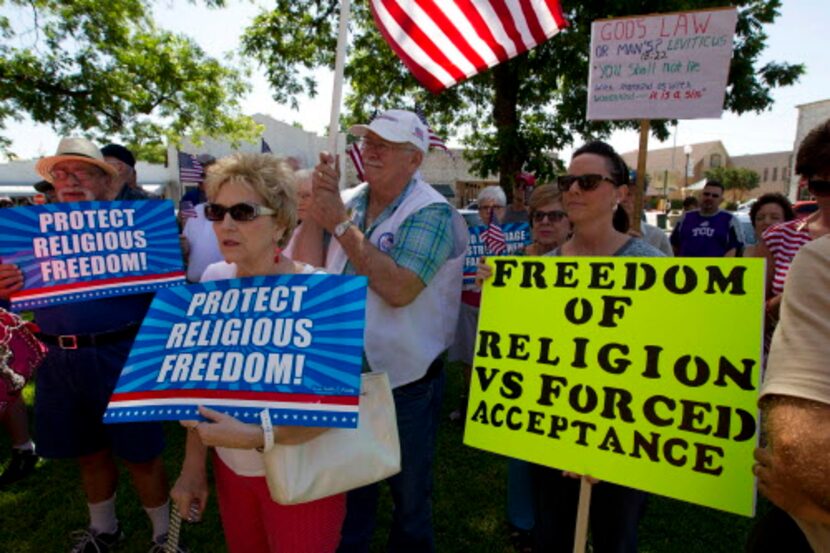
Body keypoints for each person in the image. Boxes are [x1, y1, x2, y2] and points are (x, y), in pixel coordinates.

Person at [478, 141, 662, 553]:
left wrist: (610, 443)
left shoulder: (651, 266)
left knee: (617, 539)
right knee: (553, 537)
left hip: (625, 441)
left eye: (589, 181)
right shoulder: (539, 272)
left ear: (621, 193)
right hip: (553, 436)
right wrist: (500, 298)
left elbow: (664, 363)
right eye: (568, 181)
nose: (574, 190)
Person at [0, 137, 177, 553]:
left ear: (104, 180)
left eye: (81, 171)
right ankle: (105, 530)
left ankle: (163, 538)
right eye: (60, 173)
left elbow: (168, 299)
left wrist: (171, 260)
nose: (70, 180)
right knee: (88, 452)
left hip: (123, 355)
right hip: (59, 360)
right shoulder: (28, 236)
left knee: (142, 454)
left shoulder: (139, 227)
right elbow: (9, 301)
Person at [303, 108, 468, 553]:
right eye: (368, 139)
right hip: (343, 371)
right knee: (349, 486)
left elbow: (399, 289)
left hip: (404, 381)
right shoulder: (353, 197)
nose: (370, 149)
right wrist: (315, 207)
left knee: (409, 497)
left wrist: (337, 222)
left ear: (415, 159)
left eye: (386, 143)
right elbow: (308, 269)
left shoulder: (431, 212)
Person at [170, 153, 344, 553]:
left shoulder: (320, 291)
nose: (226, 224)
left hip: (305, 475)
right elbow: (202, 388)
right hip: (232, 472)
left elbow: (334, 408)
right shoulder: (212, 280)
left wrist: (257, 435)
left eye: (244, 212)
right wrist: (193, 469)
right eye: (217, 211)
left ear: (280, 221)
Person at [752, 236, 830, 553]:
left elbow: (803, 454)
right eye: (817, 183)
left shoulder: (819, 261)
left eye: (588, 183)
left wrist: (819, 508)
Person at [756, 119, 830, 320]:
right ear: (806, 183)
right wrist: (795, 294)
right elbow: (749, 313)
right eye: (824, 187)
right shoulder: (778, 238)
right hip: (788, 349)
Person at [670, 180, 743, 257]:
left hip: (716, 268)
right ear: (701, 196)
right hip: (686, 268)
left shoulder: (729, 220)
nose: (709, 198)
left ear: (721, 200)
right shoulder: (686, 218)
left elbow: (735, 249)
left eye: (715, 196)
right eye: (706, 194)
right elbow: (674, 246)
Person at [732, 193, 795, 258]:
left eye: (774, 217)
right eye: (760, 218)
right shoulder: (736, 254)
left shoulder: (798, 257)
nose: (766, 222)